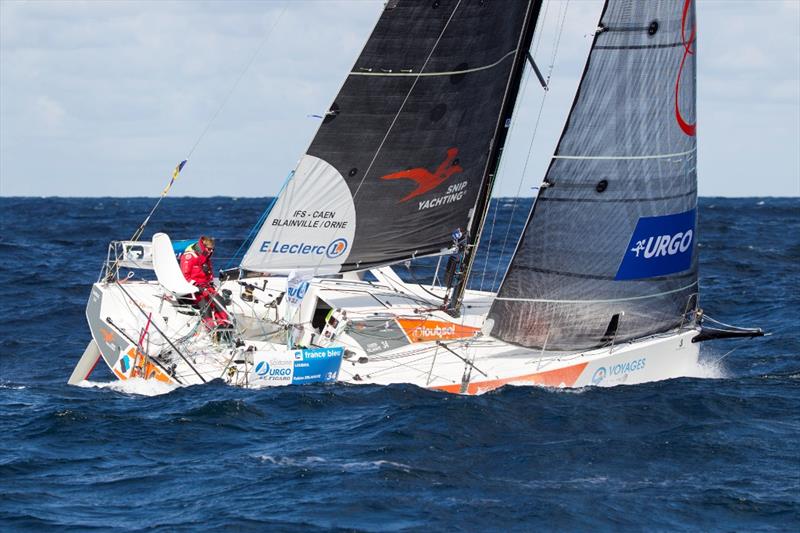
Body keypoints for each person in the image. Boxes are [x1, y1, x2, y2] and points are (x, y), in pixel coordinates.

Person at [179, 236, 230, 330]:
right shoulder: (189, 257)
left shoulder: (206, 258)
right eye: (209, 249)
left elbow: (209, 276)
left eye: (212, 249)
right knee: (205, 304)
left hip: (206, 287)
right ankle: (210, 327)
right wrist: (196, 286)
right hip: (193, 288)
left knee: (219, 300)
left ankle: (224, 324)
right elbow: (185, 276)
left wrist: (210, 283)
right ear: (203, 247)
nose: (211, 251)